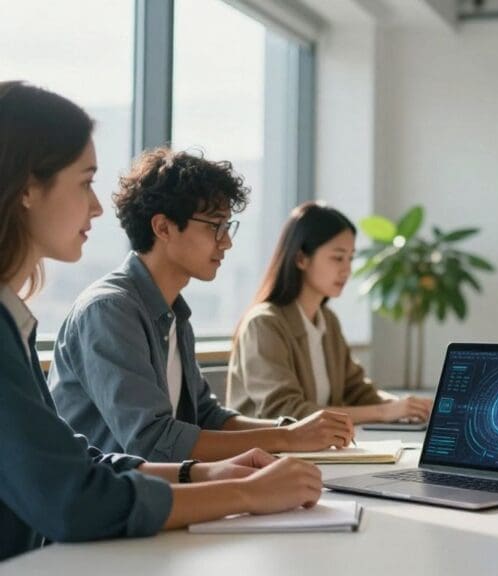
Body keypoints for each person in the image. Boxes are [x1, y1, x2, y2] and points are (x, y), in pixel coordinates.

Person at [0, 81, 323, 561]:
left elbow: (77, 460)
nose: (95, 206)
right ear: (28, 187)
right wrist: (248, 492)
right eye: (86, 181)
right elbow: (77, 492)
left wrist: (207, 474)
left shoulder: (18, 321)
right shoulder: (103, 309)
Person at [47, 148, 355, 463]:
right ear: (163, 228)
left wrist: (293, 430)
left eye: (227, 227)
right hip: (106, 504)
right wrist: (287, 437)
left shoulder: (173, 314)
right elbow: (154, 441)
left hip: (157, 493)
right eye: (214, 226)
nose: (226, 242)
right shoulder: (109, 310)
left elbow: (207, 416)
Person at [227, 201, 433, 423]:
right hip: (269, 455)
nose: (347, 269)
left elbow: (358, 392)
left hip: (319, 450)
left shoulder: (327, 320)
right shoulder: (263, 324)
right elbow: (286, 412)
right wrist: (385, 412)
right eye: (337, 257)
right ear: (301, 259)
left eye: (350, 258)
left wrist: (407, 407)